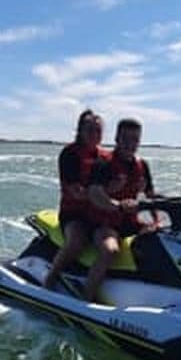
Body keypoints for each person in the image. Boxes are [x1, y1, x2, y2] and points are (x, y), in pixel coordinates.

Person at [83, 117, 156, 302]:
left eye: (135, 140)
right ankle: (85, 299)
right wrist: (117, 205)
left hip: (130, 222)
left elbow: (151, 195)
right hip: (103, 223)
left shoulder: (142, 165)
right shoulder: (103, 163)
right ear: (117, 138)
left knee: (162, 239)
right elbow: (94, 194)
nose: (130, 144)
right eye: (126, 139)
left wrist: (174, 200)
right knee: (110, 251)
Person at [43, 110, 108, 290]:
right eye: (90, 130)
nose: (95, 135)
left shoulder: (104, 157)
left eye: (98, 131)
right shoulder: (69, 154)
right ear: (80, 131)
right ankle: (50, 278)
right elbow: (76, 192)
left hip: (99, 214)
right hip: (74, 214)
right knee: (78, 240)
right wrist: (104, 197)